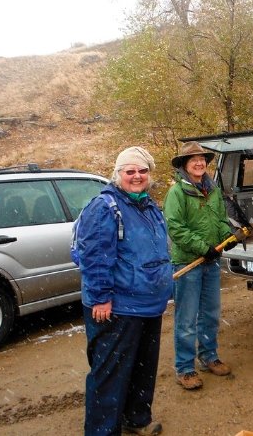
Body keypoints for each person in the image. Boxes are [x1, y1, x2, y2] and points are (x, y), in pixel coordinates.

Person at [77, 146, 172, 436]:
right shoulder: (105, 207)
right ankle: (102, 431)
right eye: (130, 171)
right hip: (118, 307)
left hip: (147, 304)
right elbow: (93, 255)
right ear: (117, 174)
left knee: (143, 369)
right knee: (110, 375)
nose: (137, 176)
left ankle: (137, 418)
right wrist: (100, 297)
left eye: (142, 171)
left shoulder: (148, 205)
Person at [163, 141, 234, 391]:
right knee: (186, 319)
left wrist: (228, 236)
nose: (199, 162)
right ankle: (184, 368)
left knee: (210, 314)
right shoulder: (177, 193)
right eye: (193, 159)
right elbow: (175, 228)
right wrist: (202, 247)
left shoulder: (212, 189)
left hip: (211, 262)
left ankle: (208, 356)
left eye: (202, 159)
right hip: (188, 262)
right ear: (184, 164)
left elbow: (221, 219)